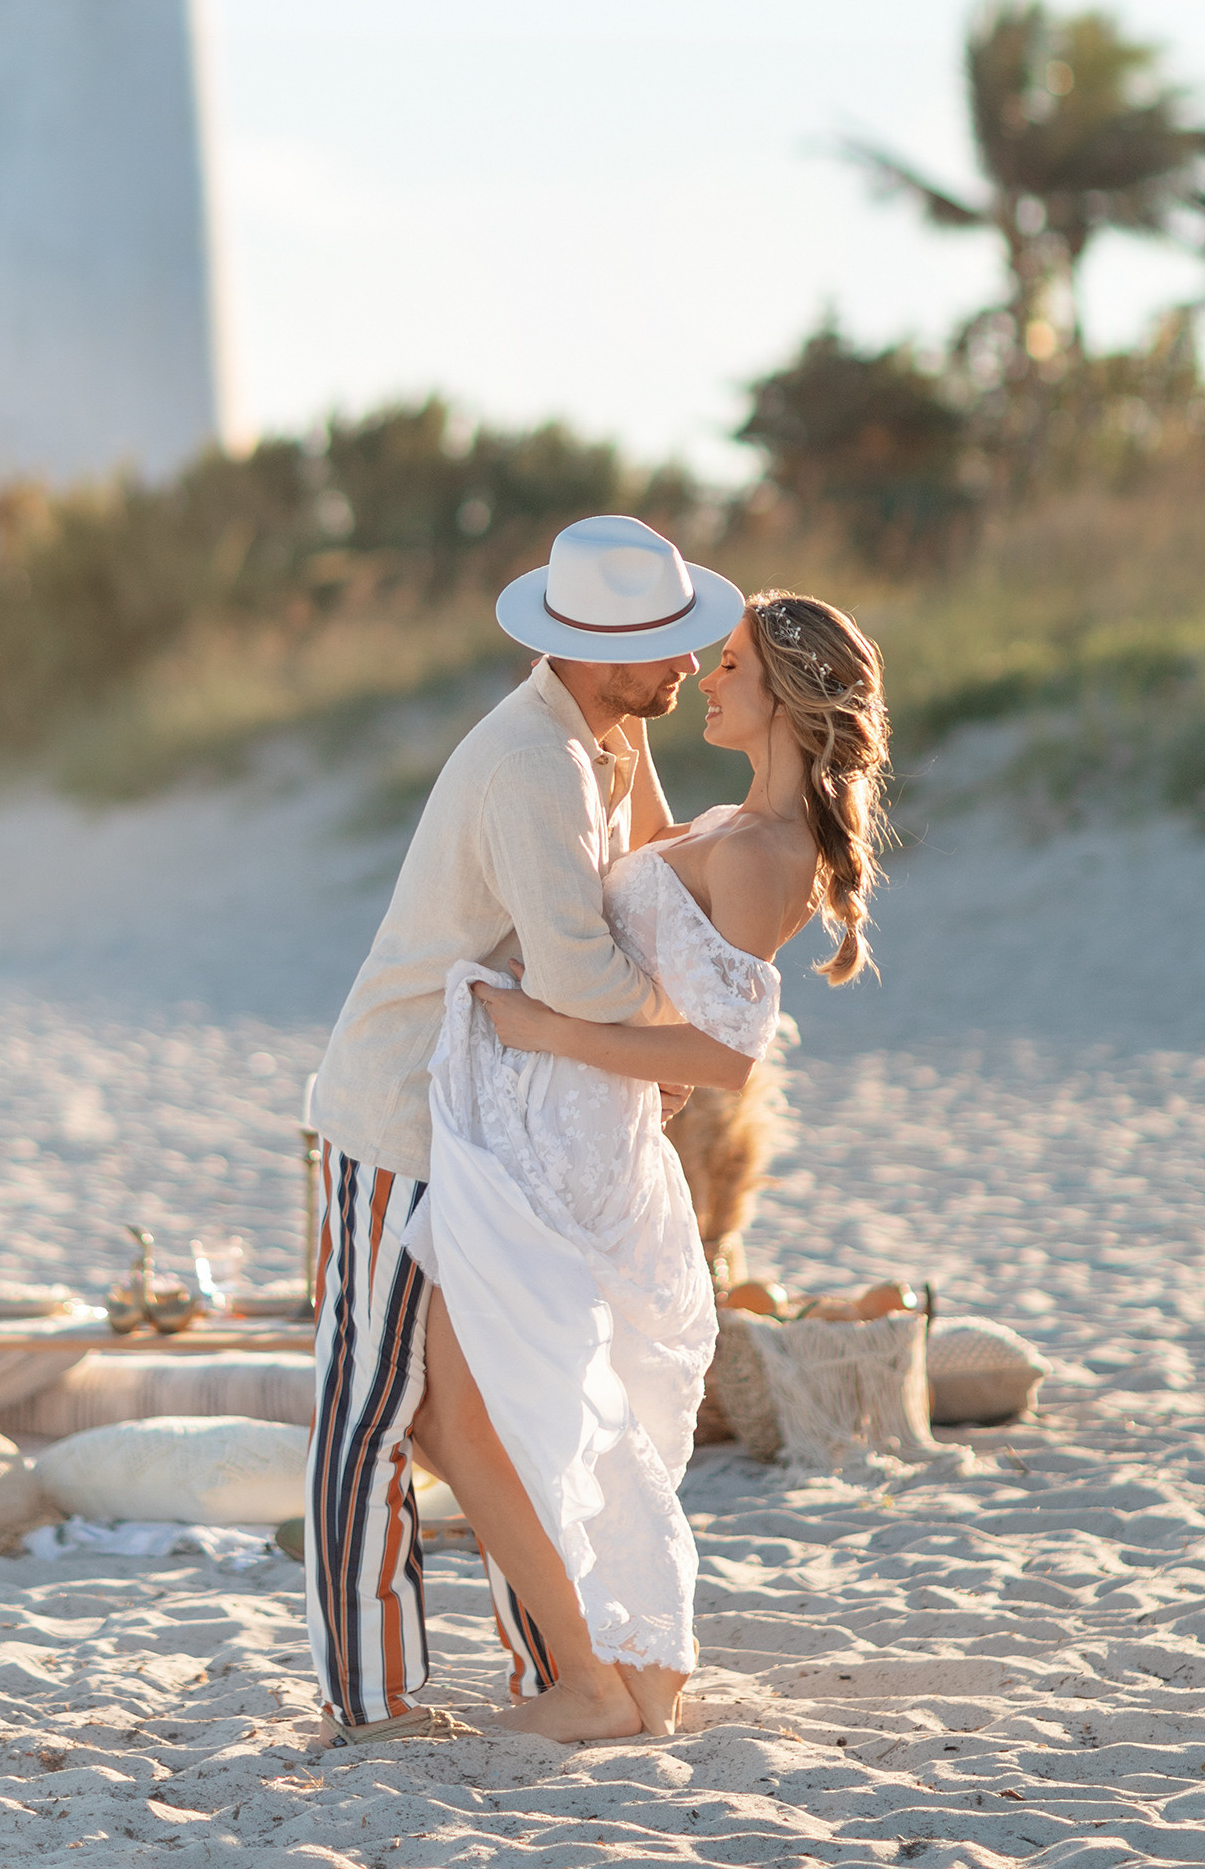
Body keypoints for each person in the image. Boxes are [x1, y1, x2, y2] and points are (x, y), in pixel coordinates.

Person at [302, 513, 746, 1742]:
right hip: (398, 1115)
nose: (689, 668)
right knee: (376, 1413)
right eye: (668, 649)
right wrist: (666, 1039)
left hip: (495, 1122)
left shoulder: (597, 738)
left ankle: (559, 1675)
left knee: (499, 1397)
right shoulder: (531, 766)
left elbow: (649, 865)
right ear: (598, 653)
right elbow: (584, 983)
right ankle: (374, 1699)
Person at [423, 583, 889, 1739]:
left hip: (571, 1123)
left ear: (782, 695)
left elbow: (726, 1056)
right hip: (560, 1114)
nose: (706, 680)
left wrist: (548, 1033)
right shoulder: (730, 826)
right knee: (532, 1400)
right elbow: (637, 862)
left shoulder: (765, 853)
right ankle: (630, 1671)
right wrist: (612, 699)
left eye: (727, 665)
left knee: (484, 1408)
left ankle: (608, 1681)